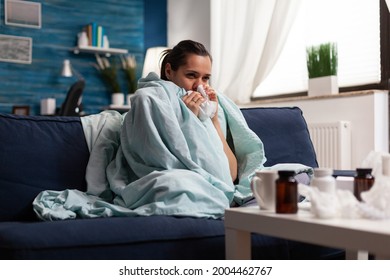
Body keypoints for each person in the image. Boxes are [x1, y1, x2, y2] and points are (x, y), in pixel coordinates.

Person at [159, 40, 238, 182]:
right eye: (191, 75)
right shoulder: (157, 104)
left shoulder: (208, 110)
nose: (199, 86)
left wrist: (214, 120)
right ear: (169, 71)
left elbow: (231, 175)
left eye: (205, 78)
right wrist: (189, 120)